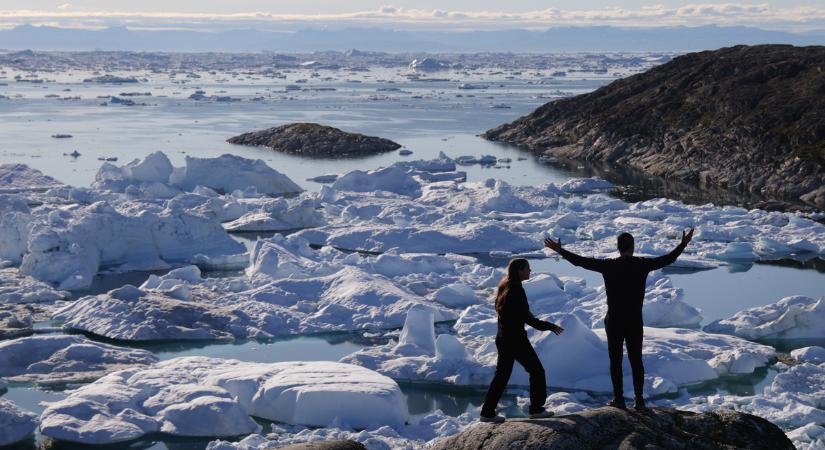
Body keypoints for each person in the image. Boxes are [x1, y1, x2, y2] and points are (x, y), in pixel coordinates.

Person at [544, 229, 693, 411]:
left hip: (614, 320)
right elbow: (667, 259)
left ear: (618, 248)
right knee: (636, 359)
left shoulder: (609, 265)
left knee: (615, 361)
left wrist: (561, 251)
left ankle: (619, 399)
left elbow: (581, 262)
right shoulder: (642, 264)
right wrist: (683, 243)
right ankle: (639, 400)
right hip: (634, 321)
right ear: (633, 247)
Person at [480, 258, 564, 423]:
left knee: (502, 376)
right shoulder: (516, 290)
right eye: (527, 268)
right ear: (519, 270)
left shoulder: (505, 286)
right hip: (515, 339)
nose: (530, 271)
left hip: (503, 338)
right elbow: (527, 318)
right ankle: (536, 409)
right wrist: (549, 326)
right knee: (537, 371)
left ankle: (487, 412)